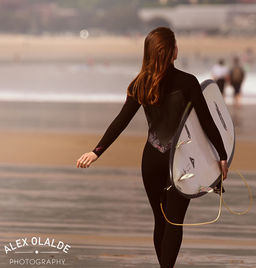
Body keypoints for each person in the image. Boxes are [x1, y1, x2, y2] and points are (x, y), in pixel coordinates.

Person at [76, 27, 228, 268]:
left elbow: (121, 121)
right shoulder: (188, 82)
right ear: (172, 52)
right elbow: (208, 124)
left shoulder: (141, 83)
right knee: (174, 222)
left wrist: (96, 151)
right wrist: (221, 156)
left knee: (161, 220)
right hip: (180, 162)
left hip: (151, 161)